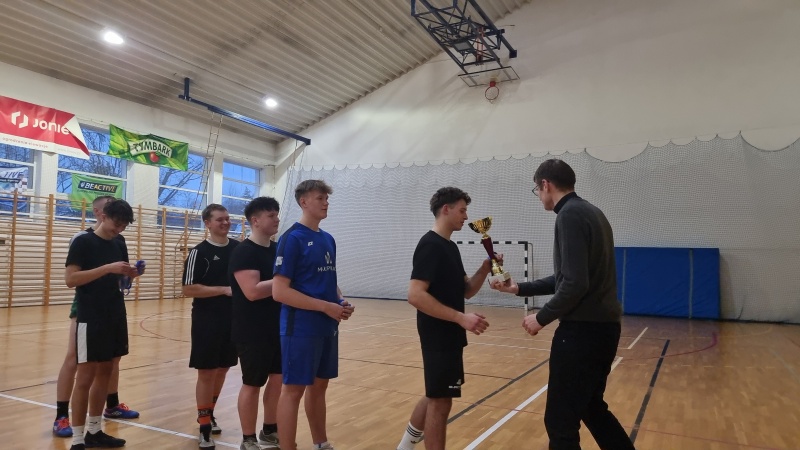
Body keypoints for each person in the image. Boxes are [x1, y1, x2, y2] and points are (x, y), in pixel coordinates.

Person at [490, 159, 636, 450]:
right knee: (591, 408)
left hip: (581, 334)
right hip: (605, 330)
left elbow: (574, 284)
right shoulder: (593, 212)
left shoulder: (568, 216)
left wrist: (540, 318)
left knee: (560, 422)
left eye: (537, 189)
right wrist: (520, 288)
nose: (539, 196)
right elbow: (567, 277)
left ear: (546, 185)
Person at [396, 187, 493, 450]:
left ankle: (404, 446)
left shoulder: (449, 247)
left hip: (450, 335)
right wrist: (460, 318)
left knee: (436, 394)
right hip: (437, 335)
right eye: (462, 210)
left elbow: (467, 290)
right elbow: (415, 295)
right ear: (446, 209)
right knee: (441, 401)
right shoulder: (430, 245)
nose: (466, 216)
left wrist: (484, 269)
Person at [273, 180, 354, 450]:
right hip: (300, 328)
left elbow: (329, 281)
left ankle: (321, 443)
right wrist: (324, 306)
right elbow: (279, 292)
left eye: (327, 199)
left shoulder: (328, 239)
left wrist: (340, 301)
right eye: (320, 198)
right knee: (293, 390)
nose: (326, 203)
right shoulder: (292, 239)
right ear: (304, 202)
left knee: (320, 387)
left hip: (327, 326)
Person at [53, 195, 140, 439]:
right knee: (81, 368)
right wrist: (108, 268)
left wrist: (131, 275)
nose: (119, 229)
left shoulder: (119, 241)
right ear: (102, 215)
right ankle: (69, 425)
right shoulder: (83, 241)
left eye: (124, 226)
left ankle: (97, 425)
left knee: (109, 367)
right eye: (117, 224)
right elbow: (71, 279)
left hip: (115, 312)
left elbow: (121, 282)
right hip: (89, 313)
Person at [182, 204, 240, 449]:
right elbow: (188, 289)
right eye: (219, 219)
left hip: (233, 320)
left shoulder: (238, 249)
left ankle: (210, 413)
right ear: (207, 223)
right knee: (207, 372)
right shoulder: (199, 252)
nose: (225, 223)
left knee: (223, 368)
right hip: (207, 321)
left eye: (227, 218)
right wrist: (223, 290)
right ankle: (204, 427)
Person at [228, 197, 283, 450]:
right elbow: (252, 291)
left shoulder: (278, 249)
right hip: (252, 331)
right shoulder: (244, 252)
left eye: (277, 214)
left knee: (278, 379)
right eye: (271, 215)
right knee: (252, 383)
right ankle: (248, 438)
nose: (277, 219)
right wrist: (286, 279)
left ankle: (269, 430)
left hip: (278, 327)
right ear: (255, 220)